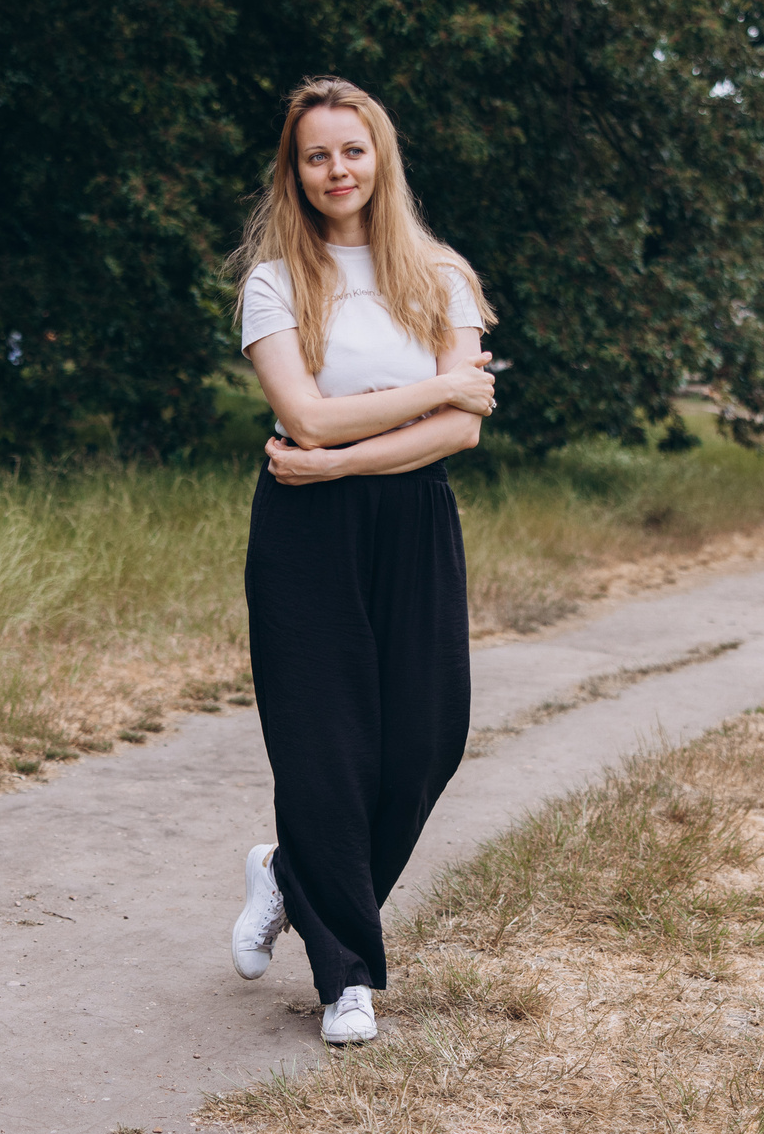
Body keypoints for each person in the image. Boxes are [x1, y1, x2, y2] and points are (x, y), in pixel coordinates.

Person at [223, 76, 497, 1046]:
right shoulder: (273, 282)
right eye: (315, 155)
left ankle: (289, 876)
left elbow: (458, 432)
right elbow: (301, 414)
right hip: (304, 535)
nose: (336, 170)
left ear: (380, 157)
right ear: (292, 171)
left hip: (410, 521)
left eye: (351, 150)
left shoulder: (441, 276)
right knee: (325, 752)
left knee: (427, 735)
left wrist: (339, 454)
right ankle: (347, 976)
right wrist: (424, 393)